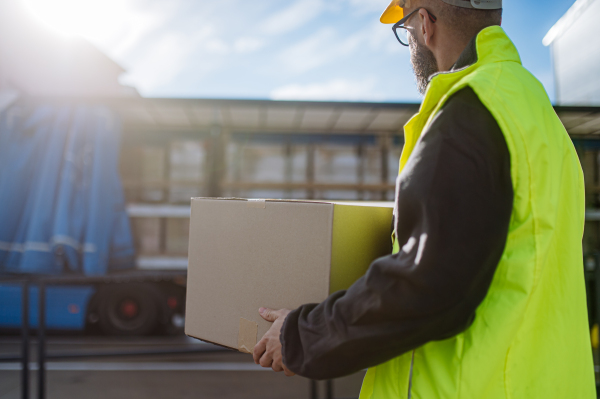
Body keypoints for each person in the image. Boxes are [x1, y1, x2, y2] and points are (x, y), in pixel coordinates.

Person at [253, 0, 597, 397]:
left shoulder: (469, 114)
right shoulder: (536, 113)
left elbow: (428, 284)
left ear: (425, 23)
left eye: (406, 32)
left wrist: (299, 336)